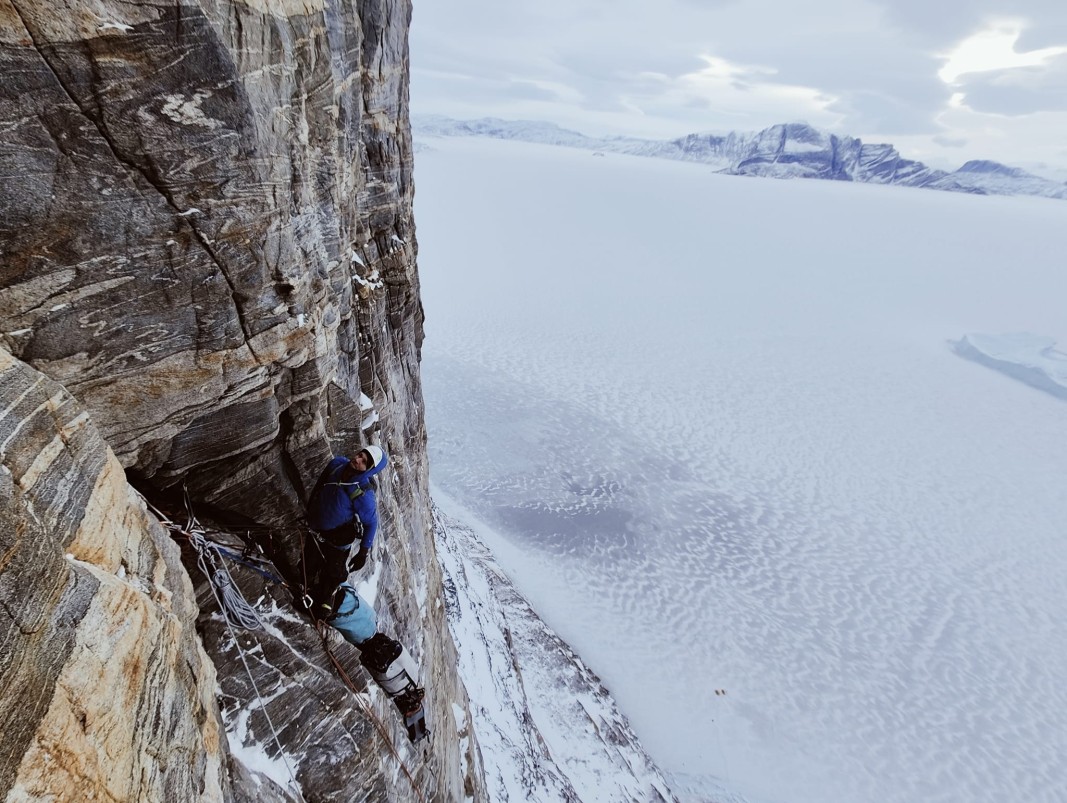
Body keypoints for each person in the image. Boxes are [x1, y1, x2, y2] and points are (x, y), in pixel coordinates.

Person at [302, 445, 387, 612]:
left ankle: (325, 606)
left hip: (337, 541)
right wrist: (310, 512)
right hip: (316, 530)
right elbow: (320, 486)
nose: (357, 459)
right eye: (360, 455)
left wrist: (363, 552)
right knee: (307, 565)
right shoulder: (337, 464)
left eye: (364, 462)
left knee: (332, 575)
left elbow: (371, 523)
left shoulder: (362, 494)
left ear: (369, 470)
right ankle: (304, 590)